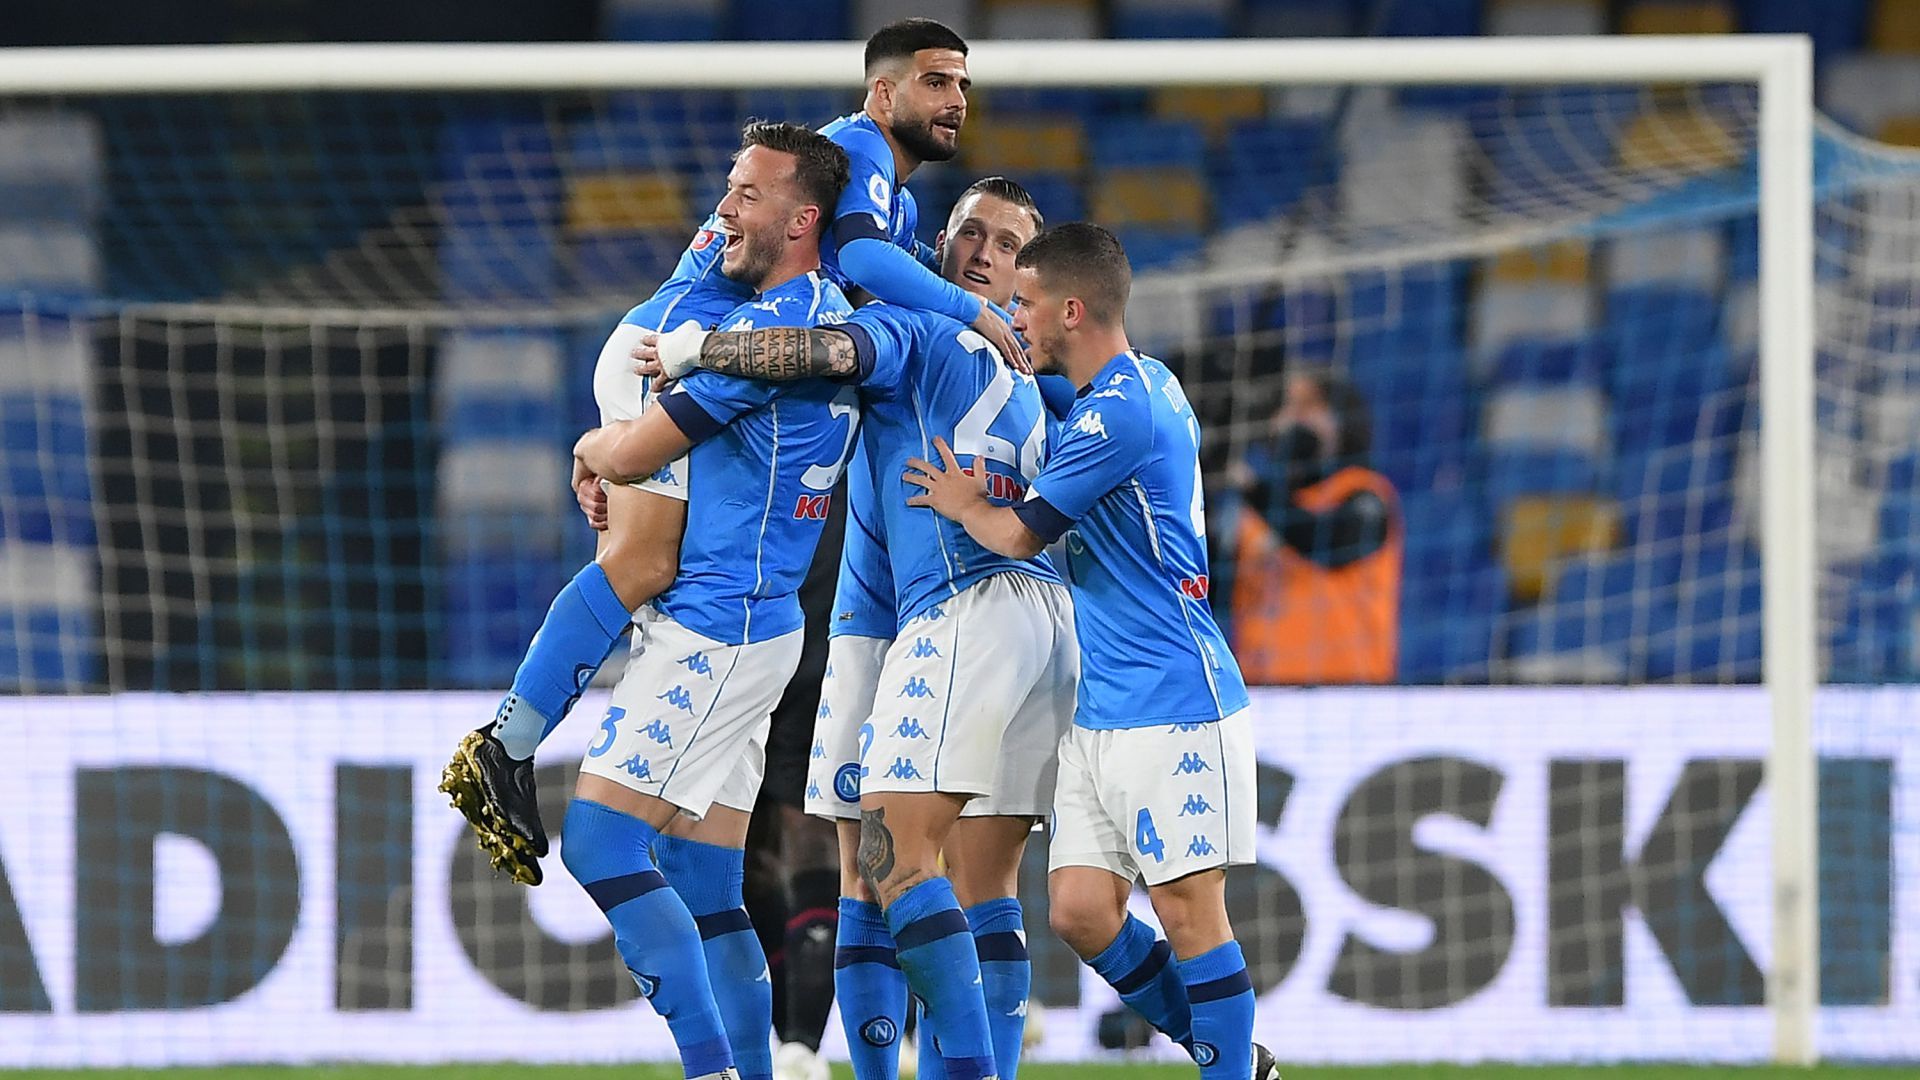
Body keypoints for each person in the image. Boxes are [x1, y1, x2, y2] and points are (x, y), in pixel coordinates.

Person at [440, 15, 1020, 889]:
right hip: (677, 342)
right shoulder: (854, 155)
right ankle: (506, 746)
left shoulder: (893, 195)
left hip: (707, 352)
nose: (955, 100)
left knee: (657, 564)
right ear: (883, 91)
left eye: (964, 85)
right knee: (642, 559)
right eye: (937, 81)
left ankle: (568, 756)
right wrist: (972, 309)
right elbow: (857, 258)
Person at [634, 177, 1076, 1080]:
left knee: (899, 857)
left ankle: (969, 1070)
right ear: (940, 244)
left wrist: (696, 346)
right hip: (905, 626)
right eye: (970, 233)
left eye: (1006, 245)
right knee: (881, 871)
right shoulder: (1048, 384)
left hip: (949, 619)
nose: (982, 253)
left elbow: (825, 347)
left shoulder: (922, 333)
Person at [900, 224, 1277, 1080]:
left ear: (1071, 310)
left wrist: (963, 501)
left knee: (1190, 913)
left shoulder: (1121, 412)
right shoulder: (1139, 388)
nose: (1016, 318)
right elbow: (1061, 420)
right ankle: (1236, 1058)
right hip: (1102, 705)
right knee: (1078, 910)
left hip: (1175, 697)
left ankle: (1229, 1068)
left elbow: (1019, 535)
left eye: (1026, 304)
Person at [556, 122, 857, 1080]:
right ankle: (792, 1055)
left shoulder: (763, 329)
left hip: (748, 620)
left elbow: (640, 457)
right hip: (808, 611)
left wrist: (597, 447)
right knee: (732, 866)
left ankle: (741, 1064)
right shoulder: (866, 278)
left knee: (626, 843)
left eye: (747, 192)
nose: (729, 207)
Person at [1227, 372, 1401, 684]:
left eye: (1308, 406)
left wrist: (1252, 489)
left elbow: (1330, 544)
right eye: (1287, 407)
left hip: (1348, 693)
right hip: (1261, 690)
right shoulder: (1254, 514)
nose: (1293, 418)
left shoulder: (1365, 493)